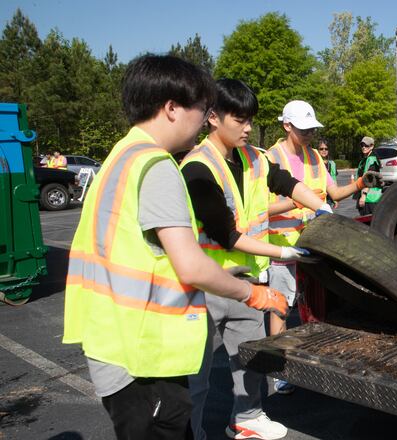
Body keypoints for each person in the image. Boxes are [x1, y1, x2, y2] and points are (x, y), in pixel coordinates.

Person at [62, 55, 288, 440]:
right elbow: (191, 266)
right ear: (171, 108)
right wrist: (254, 294)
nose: (203, 120)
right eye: (201, 109)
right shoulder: (157, 166)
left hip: (111, 339)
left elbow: (143, 251)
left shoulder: (121, 155)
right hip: (144, 355)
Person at [181, 79, 329, 440]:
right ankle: (191, 432)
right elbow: (227, 235)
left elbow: (286, 182)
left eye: (250, 120)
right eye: (240, 119)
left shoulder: (253, 158)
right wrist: (285, 252)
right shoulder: (197, 168)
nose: (248, 128)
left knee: (248, 358)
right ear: (213, 117)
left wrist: (322, 207)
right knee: (195, 372)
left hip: (247, 283)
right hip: (205, 284)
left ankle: (247, 417)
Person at [266, 100, 377, 394]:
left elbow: (334, 192)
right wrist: (292, 202)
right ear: (286, 126)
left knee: (313, 306)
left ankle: (312, 359)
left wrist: (361, 183)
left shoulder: (315, 156)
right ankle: (279, 369)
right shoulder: (270, 158)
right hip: (283, 248)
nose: (309, 135)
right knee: (279, 308)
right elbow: (258, 207)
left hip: (316, 245)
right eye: (303, 130)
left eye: (312, 130)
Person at [354, 136, 382, 215]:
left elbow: (369, 179)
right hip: (368, 198)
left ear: (372, 146)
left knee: (367, 224)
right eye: (362, 145)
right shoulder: (365, 159)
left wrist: (364, 195)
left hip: (370, 198)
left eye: (366, 145)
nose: (364, 147)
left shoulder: (371, 159)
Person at [317, 139, 339, 208]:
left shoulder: (332, 164)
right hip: (317, 196)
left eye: (326, 149)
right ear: (318, 150)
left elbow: (334, 180)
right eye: (321, 149)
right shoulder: (315, 163)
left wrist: (336, 198)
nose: (324, 150)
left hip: (329, 197)